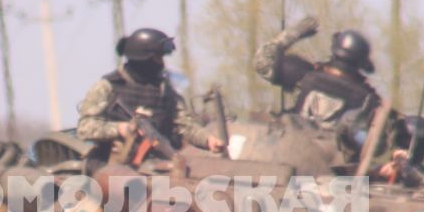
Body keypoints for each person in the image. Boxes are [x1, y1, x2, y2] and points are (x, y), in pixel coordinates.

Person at [75, 28, 223, 166]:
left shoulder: (164, 89)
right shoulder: (107, 87)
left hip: (157, 164)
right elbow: (85, 127)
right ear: (143, 59)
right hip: (111, 165)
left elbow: (185, 124)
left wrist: (208, 140)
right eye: (158, 58)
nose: (162, 63)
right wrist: (120, 128)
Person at [255, 19, 382, 124]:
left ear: (335, 50)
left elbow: (262, 62)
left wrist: (292, 34)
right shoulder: (368, 100)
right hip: (334, 154)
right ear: (361, 63)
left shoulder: (304, 75)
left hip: (290, 148)